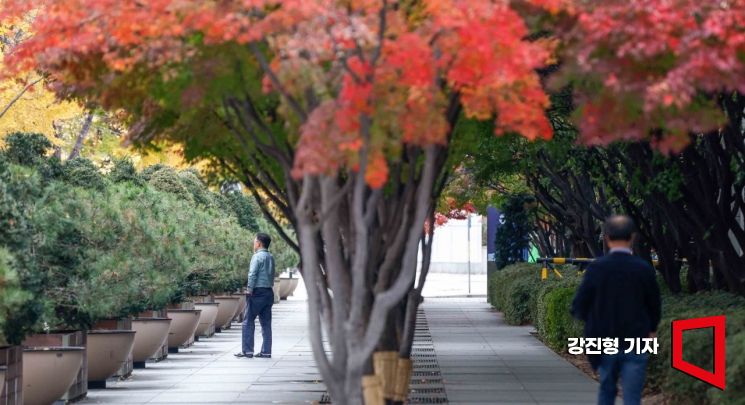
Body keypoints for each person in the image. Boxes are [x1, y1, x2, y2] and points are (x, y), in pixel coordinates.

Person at [571, 215, 661, 405]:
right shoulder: (643, 269)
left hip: (603, 340)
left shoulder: (597, 269)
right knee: (632, 395)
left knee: (606, 389)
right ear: (633, 237)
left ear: (606, 238)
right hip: (635, 340)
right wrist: (652, 329)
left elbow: (579, 305)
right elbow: (654, 304)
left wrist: (591, 322)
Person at [235, 232, 275, 359]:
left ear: (258, 243)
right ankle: (266, 351)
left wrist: (249, 289)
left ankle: (247, 351)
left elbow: (252, 274)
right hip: (269, 292)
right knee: (266, 323)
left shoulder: (257, 257)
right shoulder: (270, 257)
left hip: (257, 292)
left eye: (254, 242)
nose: (253, 244)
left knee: (248, 321)